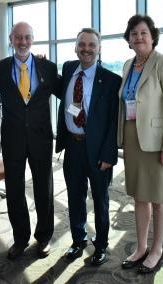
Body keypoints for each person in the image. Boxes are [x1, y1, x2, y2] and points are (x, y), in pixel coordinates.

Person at [117, 14, 163, 274]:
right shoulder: (127, 65)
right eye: (134, 34)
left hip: (158, 142)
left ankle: (157, 250)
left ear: (153, 36)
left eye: (143, 32)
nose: (139, 37)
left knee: (159, 199)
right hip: (133, 138)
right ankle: (141, 247)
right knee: (139, 196)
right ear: (129, 40)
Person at [0, 22, 61, 260]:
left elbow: (70, 92)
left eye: (27, 38)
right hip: (12, 139)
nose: (23, 42)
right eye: (18, 38)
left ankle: (43, 237)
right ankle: (20, 238)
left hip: (41, 138)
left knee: (44, 188)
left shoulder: (48, 68)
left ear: (33, 39)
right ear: (11, 39)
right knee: (14, 190)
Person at [55, 27, 122, 266]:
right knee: (75, 196)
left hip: (98, 152)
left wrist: (108, 155)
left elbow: (114, 121)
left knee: (100, 199)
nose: (86, 49)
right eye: (82, 44)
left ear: (99, 48)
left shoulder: (112, 81)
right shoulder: (68, 69)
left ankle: (101, 245)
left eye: (91, 45)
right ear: (76, 47)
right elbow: (57, 88)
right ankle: (78, 240)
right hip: (72, 147)